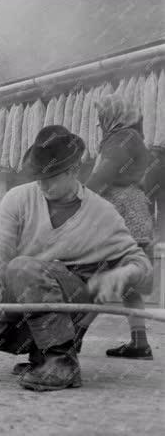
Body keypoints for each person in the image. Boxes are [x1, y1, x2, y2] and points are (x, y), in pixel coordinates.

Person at [0, 125, 153, 392]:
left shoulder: (102, 212)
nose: (42, 184)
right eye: (38, 176)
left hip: (74, 303)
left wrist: (123, 274)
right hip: (26, 293)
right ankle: (41, 355)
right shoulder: (18, 199)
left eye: (51, 176)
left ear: (73, 171)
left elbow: (141, 264)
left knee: (22, 267)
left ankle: (61, 361)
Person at [85, 95, 154, 359]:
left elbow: (104, 174)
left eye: (102, 115)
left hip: (121, 216)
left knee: (95, 277)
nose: (100, 121)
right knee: (127, 284)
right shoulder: (134, 138)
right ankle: (140, 343)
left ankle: (67, 343)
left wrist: (77, 195)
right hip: (135, 214)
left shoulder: (121, 138)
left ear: (113, 115)